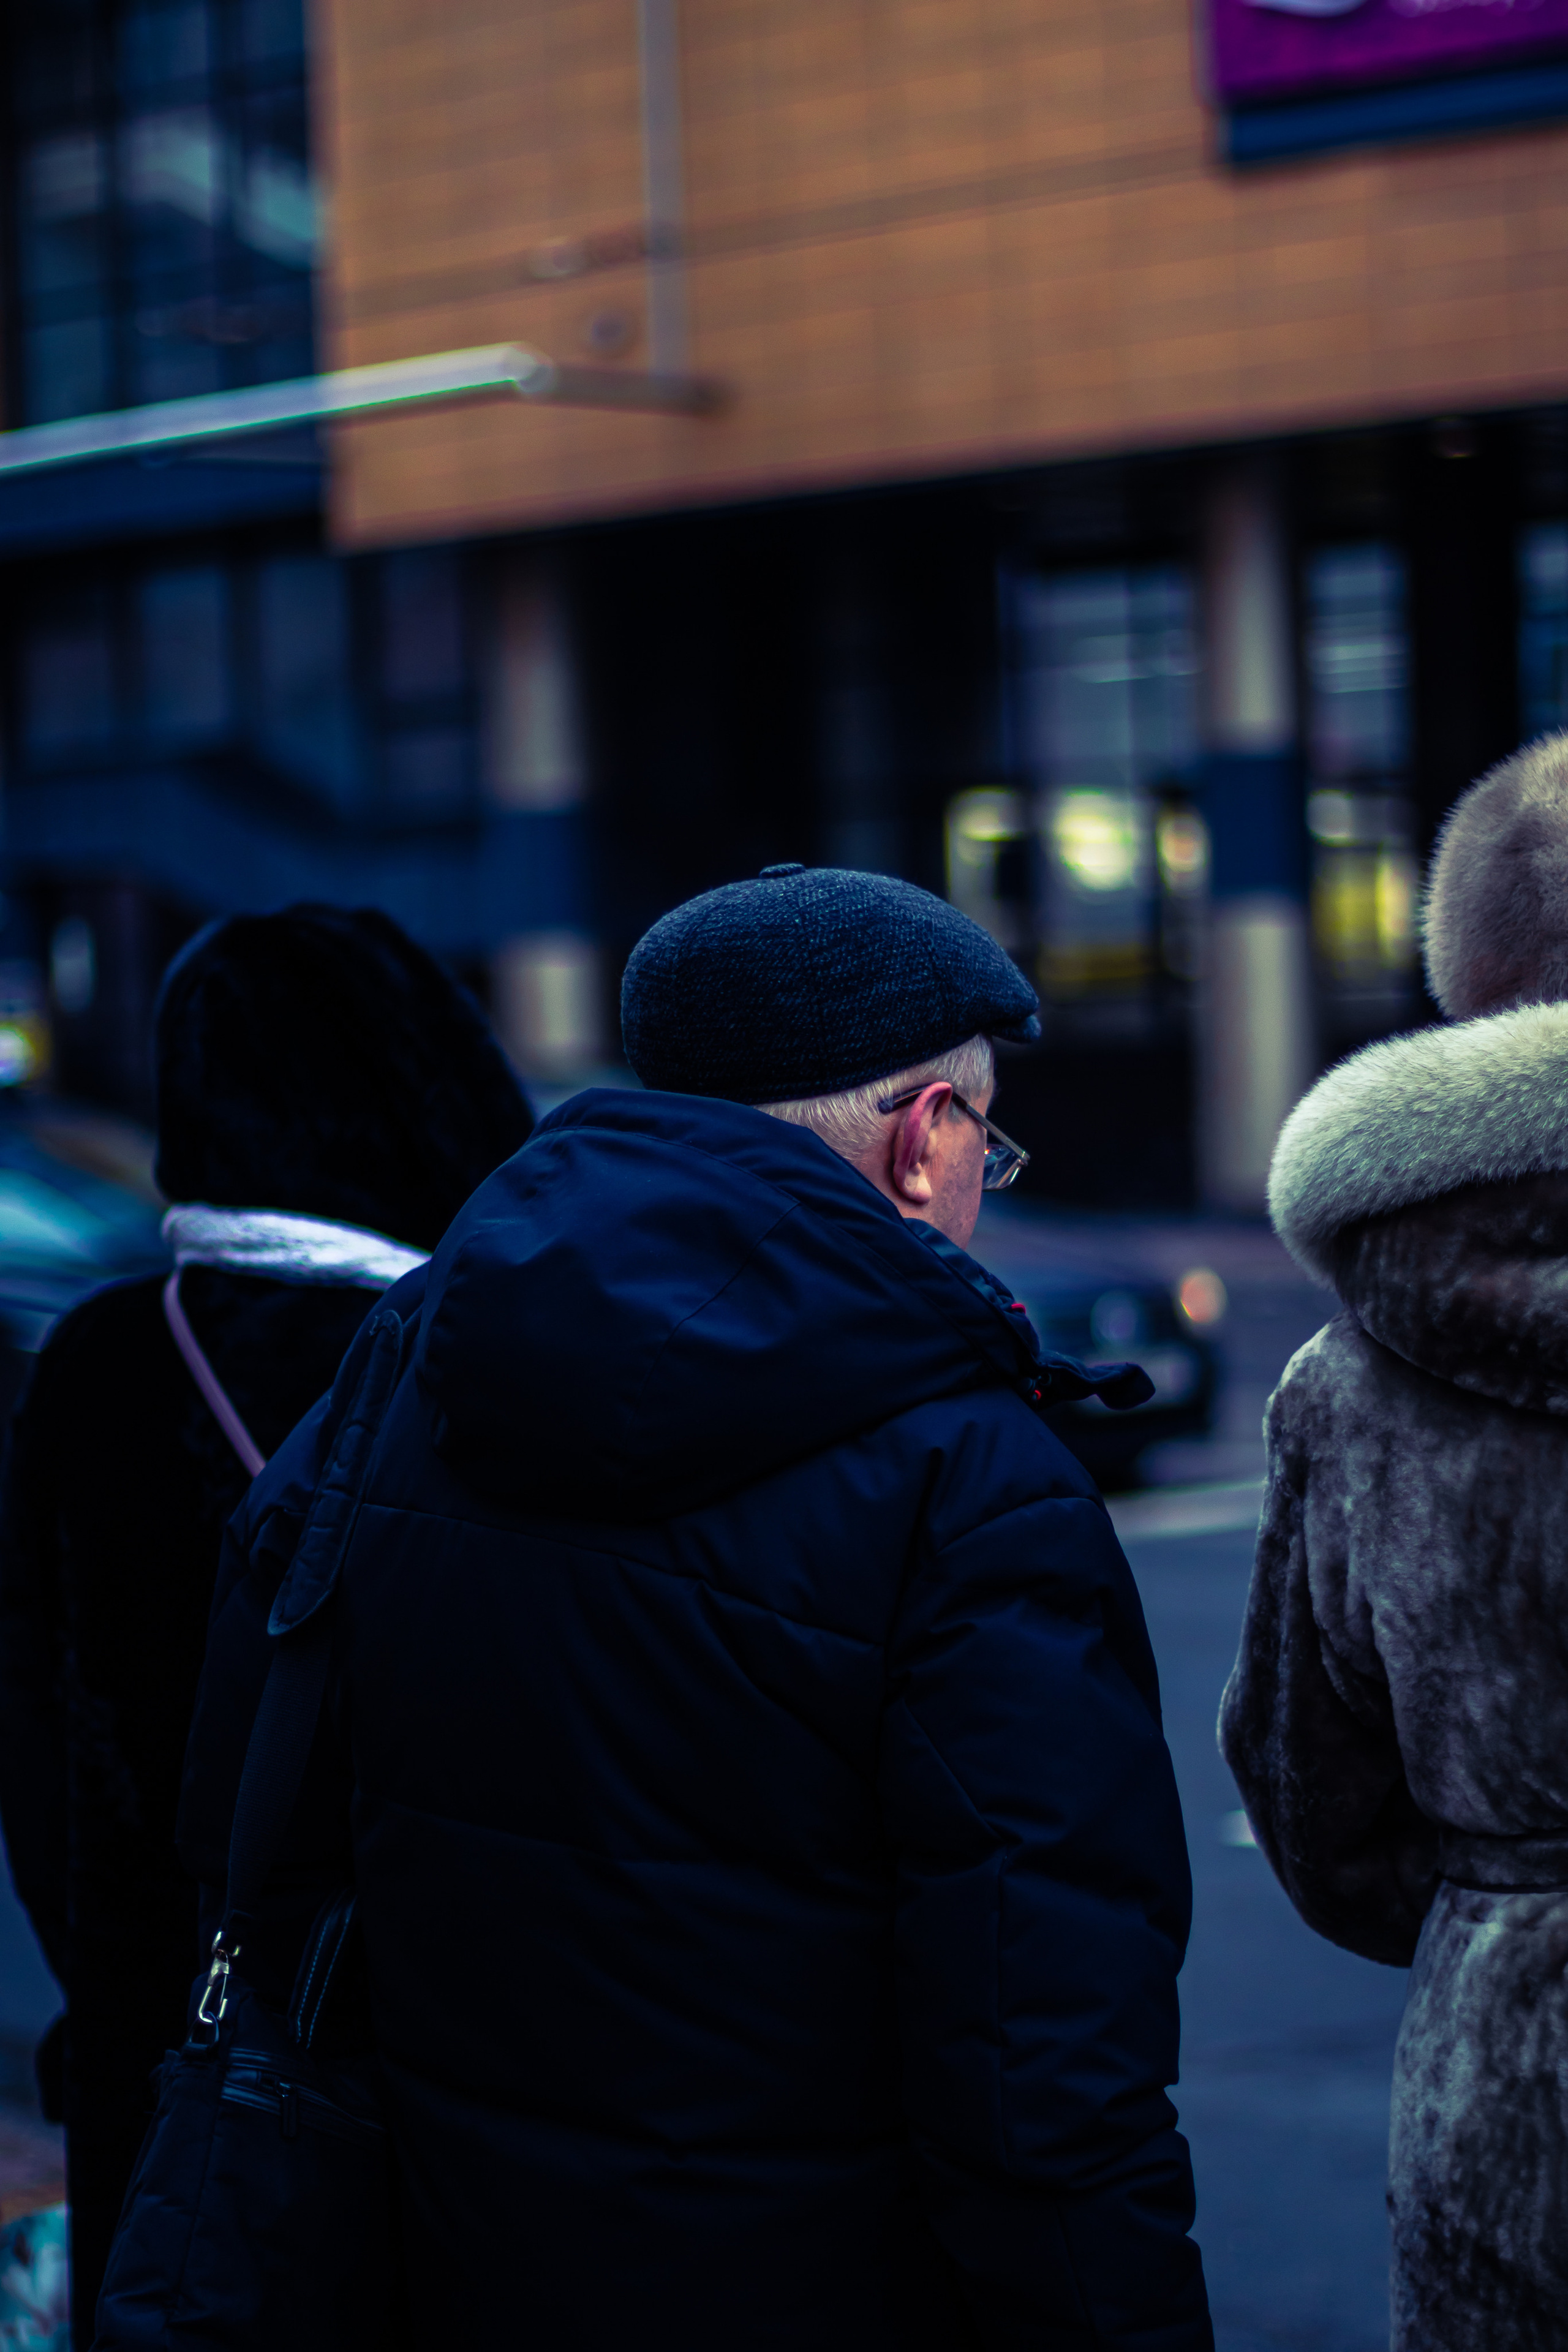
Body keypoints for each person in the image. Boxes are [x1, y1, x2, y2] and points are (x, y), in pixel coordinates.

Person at [178, 862, 1212, 2349]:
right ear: (925, 1137)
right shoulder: (970, 1477)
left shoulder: (411, 1353)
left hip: (443, 2258)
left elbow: (244, 1809)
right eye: (992, 1137)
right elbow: (1040, 2069)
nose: (989, 1176)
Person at [0, 903, 532, 2332]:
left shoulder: (100, 1362)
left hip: (182, 2081)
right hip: (466, 2080)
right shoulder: (482, 1351)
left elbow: (41, 1757)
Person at [1220, 734, 1568, 2351]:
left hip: (1511, 2102)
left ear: (1461, 983)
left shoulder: (1343, 1393)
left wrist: (1499, 1908)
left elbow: (1314, 1801)